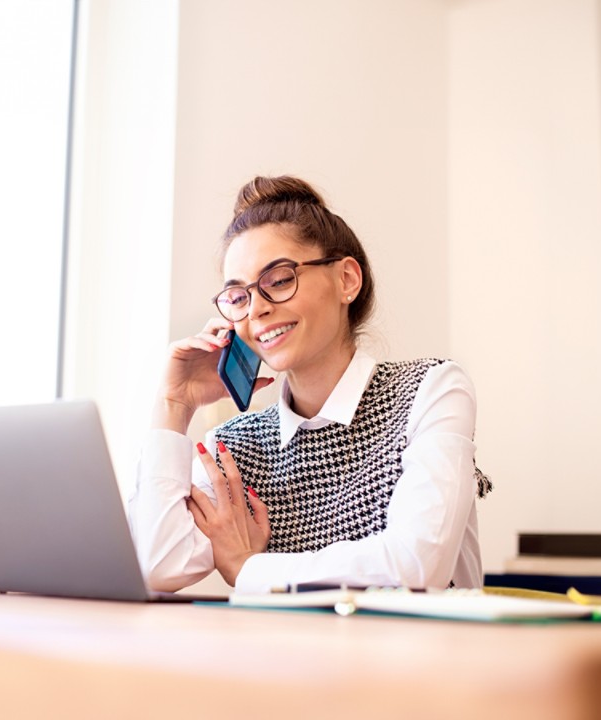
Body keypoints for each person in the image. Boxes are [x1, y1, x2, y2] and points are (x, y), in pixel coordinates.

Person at [128, 175, 491, 594]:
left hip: (422, 658)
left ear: (346, 280)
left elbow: (416, 564)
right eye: (238, 296)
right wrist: (173, 405)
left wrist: (250, 569)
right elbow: (157, 563)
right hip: (290, 659)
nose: (257, 309)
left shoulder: (431, 390)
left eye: (279, 281)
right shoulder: (237, 446)